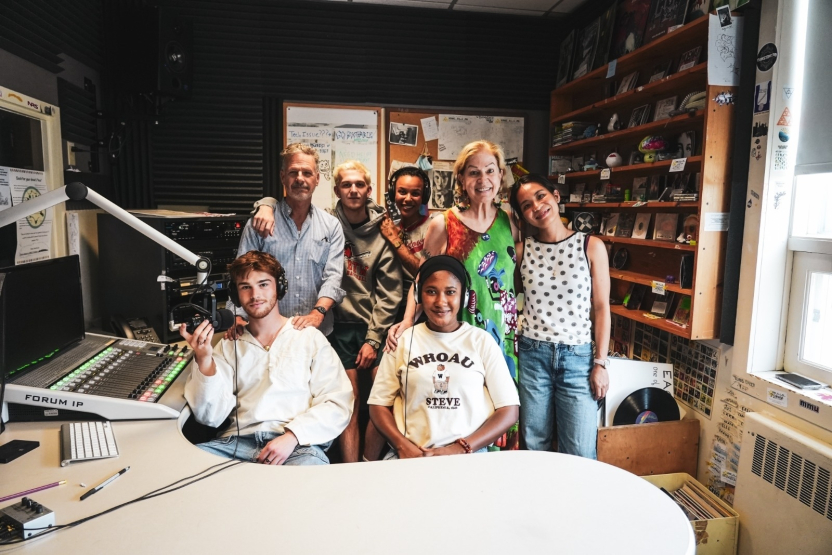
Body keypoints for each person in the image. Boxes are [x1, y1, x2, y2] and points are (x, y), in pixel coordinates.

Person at [388, 140, 520, 449]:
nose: (483, 180)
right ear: (461, 178)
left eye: (490, 171)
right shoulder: (444, 223)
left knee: (502, 416)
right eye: (474, 172)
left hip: (503, 336)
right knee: (465, 414)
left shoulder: (511, 222)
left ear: (501, 175)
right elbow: (423, 279)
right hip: (460, 336)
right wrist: (407, 320)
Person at [183, 250, 354, 465]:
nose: (255, 295)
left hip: (297, 448)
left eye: (263, 284)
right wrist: (204, 358)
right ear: (235, 295)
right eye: (245, 287)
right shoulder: (228, 345)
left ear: (279, 288)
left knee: (311, 481)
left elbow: (337, 402)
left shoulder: (309, 338)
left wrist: (293, 436)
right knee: (184, 466)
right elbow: (210, 416)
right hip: (234, 445)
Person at [369, 255, 519, 459]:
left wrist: (460, 448)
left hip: (468, 456)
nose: (441, 302)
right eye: (431, 291)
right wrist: (402, 446)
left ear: (464, 297)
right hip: (409, 455)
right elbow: (378, 404)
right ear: (418, 296)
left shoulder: (481, 341)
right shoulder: (402, 340)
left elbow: (509, 410)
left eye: (450, 292)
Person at [509, 174, 610, 459]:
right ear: (522, 216)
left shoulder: (591, 246)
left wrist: (600, 363)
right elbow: (510, 301)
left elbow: (602, 308)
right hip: (532, 355)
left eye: (541, 196)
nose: (536, 206)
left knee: (580, 451)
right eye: (526, 205)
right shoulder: (521, 251)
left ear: (555, 196)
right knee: (533, 446)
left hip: (578, 359)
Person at [228, 143, 345, 338]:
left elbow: (333, 277)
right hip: (267, 333)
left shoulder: (331, 226)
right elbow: (240, 274)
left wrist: (317, 313)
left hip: (316, 333)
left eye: (307, 173)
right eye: (293, 172)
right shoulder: (259, 224)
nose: (300, 178)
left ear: (317, 178)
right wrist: (238, 316)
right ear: (283, 177)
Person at [328, 160, 403, 462]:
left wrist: (373, 339)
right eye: (346, 185)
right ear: (337, 190)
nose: (353, 190)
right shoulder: (326, 225)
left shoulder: (383, 229)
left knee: (384, 396)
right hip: (338, 325)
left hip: (374, 325)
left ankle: (368, 463)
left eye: (359, 184)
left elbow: (390, 292)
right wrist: (266, 204)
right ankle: (350, 470)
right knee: (349, 398)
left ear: (369, 190)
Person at [378, 166, 433, 317]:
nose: (408, 198)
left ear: (424, 197)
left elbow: (427, 275)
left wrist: (395, 240)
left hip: (421, 309)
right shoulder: (389, 228)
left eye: (415, 193)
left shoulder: (433, 228)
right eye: (402, 192)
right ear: (393, 194)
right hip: (390, 307)